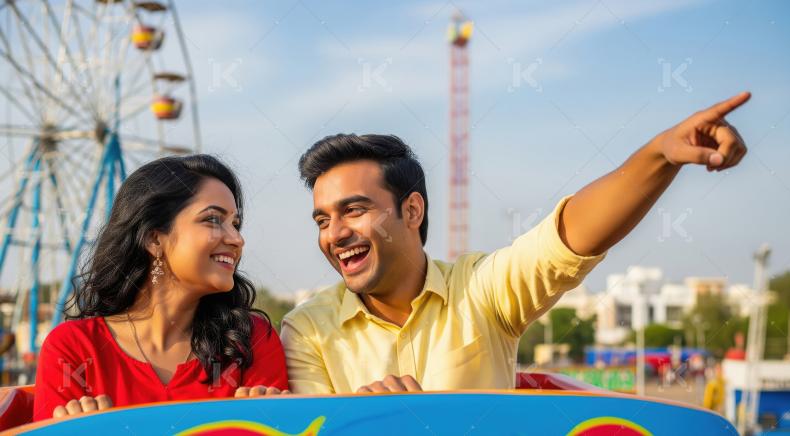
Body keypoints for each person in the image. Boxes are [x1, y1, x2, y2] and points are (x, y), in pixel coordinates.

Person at [281, 92, 751, 394]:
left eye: (354, 210)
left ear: (412, 210)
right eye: (323, 219)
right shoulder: (307, 330)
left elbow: (567, 237)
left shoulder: (480, 291)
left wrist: (660, 154)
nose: (334, 234)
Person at [33, 155, 288, 421]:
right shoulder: (74, 348)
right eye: (213, 220)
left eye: (235, 224)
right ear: (154, 239)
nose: (237, 239)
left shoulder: (251, 340)